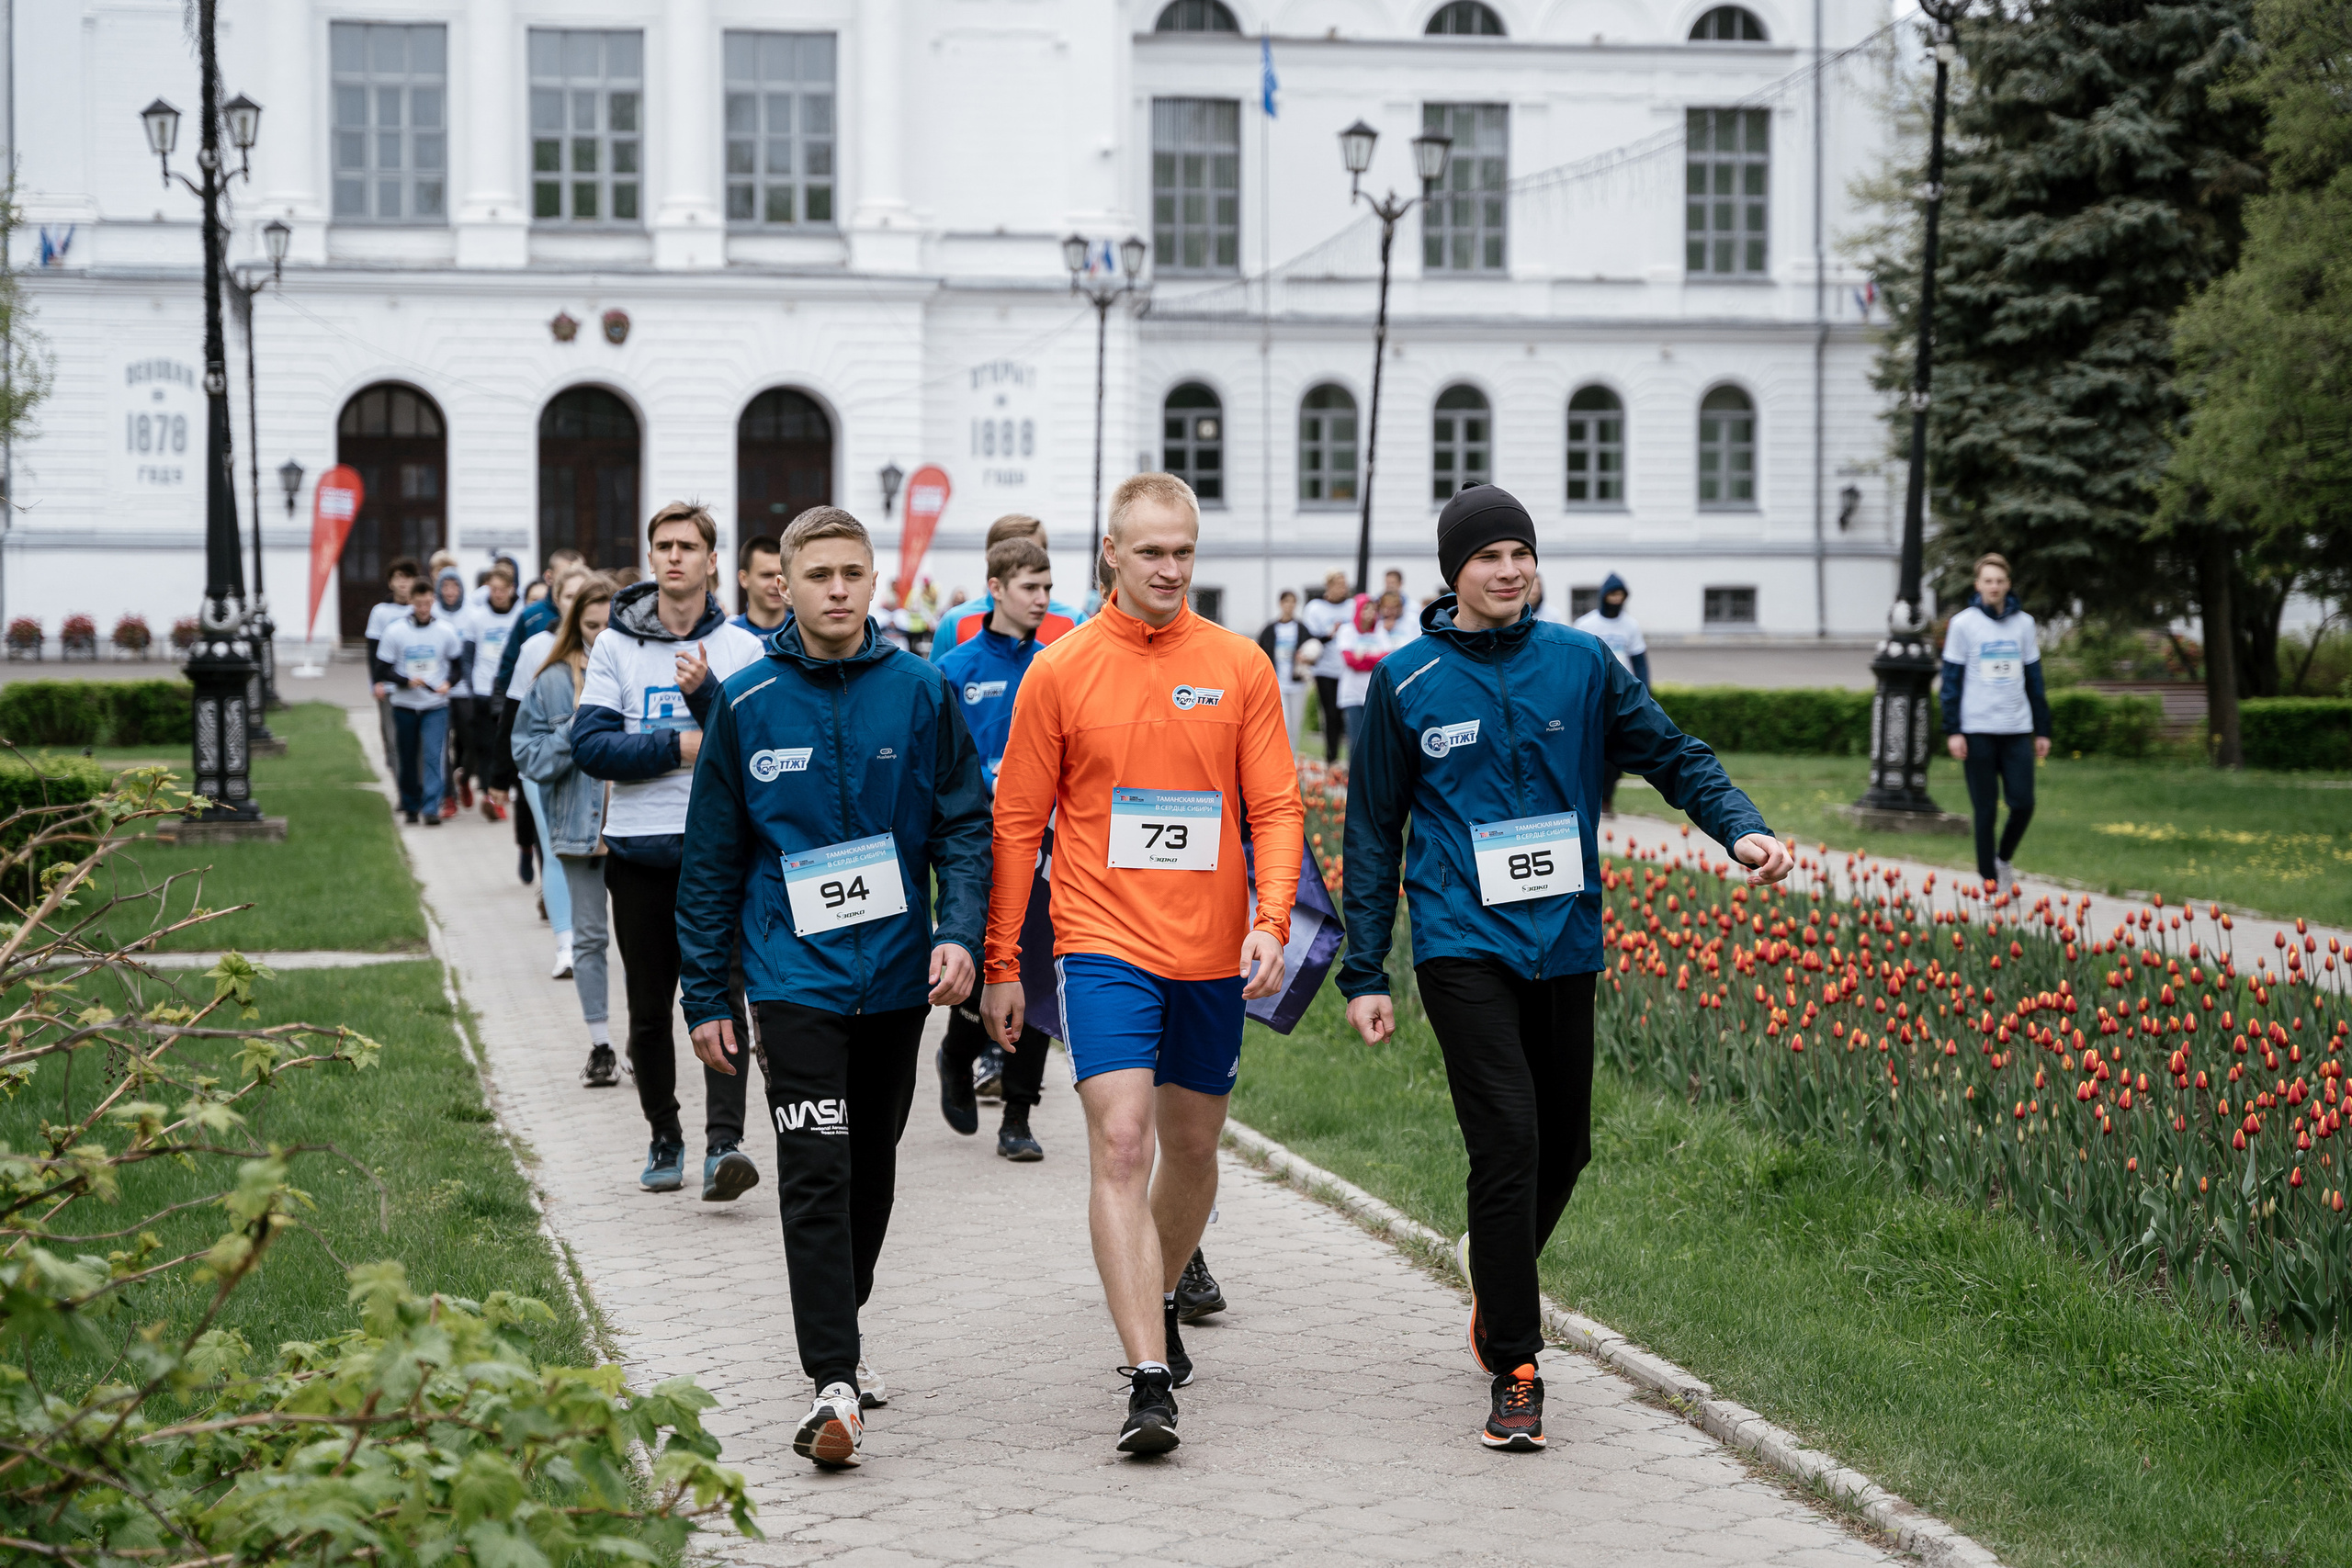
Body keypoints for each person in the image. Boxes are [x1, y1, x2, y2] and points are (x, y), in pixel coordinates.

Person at [1340, 484, 1792, 1452]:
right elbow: (1372, 831)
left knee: (1566, 1145)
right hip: (1461, 941)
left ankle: (1492, 1273)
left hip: (1564, 940)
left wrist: (1739, 829)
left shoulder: (1583, 665)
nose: (1507, 570)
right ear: (1451, 572)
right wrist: (1365, 972)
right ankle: (1515, 1363)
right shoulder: (1407, 681)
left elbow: (1672, 755)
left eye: (1520, 554)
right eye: (1486, 557)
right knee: (1506, 1141)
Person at [976, 471, 1303, 1455]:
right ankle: (1147, 1379)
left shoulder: (1238, 665)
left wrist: (1271, 921)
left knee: (1193, 1148)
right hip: (1101, 939)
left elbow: (1277, 806)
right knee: (1123, 1143)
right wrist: (1002, 960)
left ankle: (1158, 1294)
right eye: (1150, 551)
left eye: (1184, 552)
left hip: (1210, 952)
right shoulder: (1062, 669)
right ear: (1110, 554)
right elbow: (1017, 823)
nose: (1168, 568)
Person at [678, 505, 990, 1470]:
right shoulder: (748, 699)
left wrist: (958, 933)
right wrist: (705, 994)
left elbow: (964, 827)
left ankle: (839, 1332)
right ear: (785, 585)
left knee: (871, 1166)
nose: (840, 590)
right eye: (819, 576)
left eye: (854, 573)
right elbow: (713, 859)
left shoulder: (921, 690)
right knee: (815, 1166)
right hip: (792, 976)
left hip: (898, 977)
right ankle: (833, 1383)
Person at [571, 502, 767, 1198]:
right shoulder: (617, 646)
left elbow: (761, 752)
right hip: (640, 852)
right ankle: (664, 1133)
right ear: (650, 556)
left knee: (723, 994)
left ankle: (725, 1145)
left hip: (719, 855)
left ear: (713, 562)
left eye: (689, 545)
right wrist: (679, 745)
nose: (675, 556)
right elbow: (591, 747)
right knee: (651, 1009)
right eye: (664, 545)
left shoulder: (744, 648)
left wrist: (707, 697)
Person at [935, 536, 1060, 1161]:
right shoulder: (956, 670)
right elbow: (936, 767)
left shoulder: (1057, 664)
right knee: (984, 969)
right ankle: (955, 1054)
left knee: (1035, 972)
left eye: (1047, 587)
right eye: (1030, 588)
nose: (1042, 599)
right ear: (997, 588)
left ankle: (1018, 1114)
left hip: (1045, 842)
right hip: (976, 841)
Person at [514, 575, 620, 1086]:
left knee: (651, 944)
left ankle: (646, 1042)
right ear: (575, 624)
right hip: (581, 829)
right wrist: (572, 726)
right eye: (591, 625)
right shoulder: (553, 678)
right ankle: (601, 1044)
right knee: (589, 940)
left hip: (640, 830)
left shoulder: (641, 671)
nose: (601, 635)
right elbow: (528, 755)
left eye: (610, 624)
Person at [502, 566, 595, 977]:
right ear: (556, 600)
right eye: (569, 595)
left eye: (584, 595)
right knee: (556, 851)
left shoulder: (612, 647)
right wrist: (497, 776)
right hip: (545, 770)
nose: (576, 603)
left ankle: (594, 936)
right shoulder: (535, 648)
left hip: (597, 772)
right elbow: (513, 716)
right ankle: (566, 944)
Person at [1939, 552, 2051, 897]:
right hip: (1977, 730)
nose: (1994, 587)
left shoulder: (2024, 624)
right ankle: (1989, 882)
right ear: (1978, 585)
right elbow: (1951, 682)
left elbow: (2034, 679)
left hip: (2017, 728)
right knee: (1985, 810)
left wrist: (2043, 729)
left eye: (2000, 581)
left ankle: (2003, 859)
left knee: (2023, 803)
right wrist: (1954, 730)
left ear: (2008, 585)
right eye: (1988, 581)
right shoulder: (1963, 624)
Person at [930, 513, 1087, 662]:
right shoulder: (955, 622)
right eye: (1016, 556)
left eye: (1034, 554)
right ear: (990, 560)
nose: (1027, 562)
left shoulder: (1074, 622)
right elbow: (937, 685)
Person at [374, 576, 465, 827]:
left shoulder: (445, 631)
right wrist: (404, 680)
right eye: (419, 604)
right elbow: (383, 668)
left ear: (433, 601)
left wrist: (449, 683)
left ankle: (431, 807)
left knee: (434, 755)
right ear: (411, 602)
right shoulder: (396, 631)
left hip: (435, 704)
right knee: (407, 755)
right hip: (405, 703)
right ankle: (411, 805)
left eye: (427, 603)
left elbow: (458, 666)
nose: (424, 609)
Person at [1573, 573, 1650, 811]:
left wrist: (1645, 693)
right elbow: (1576, 662)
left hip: (1622, 696)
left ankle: (1608, 797)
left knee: (1618, 750)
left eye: (1620, 595)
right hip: (1594, 694)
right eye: (1612, 594)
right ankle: (1592, 797)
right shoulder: (1586, 625)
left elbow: (1639, 662)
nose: (1616, 599)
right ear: (1604, 596)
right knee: (1594, 747)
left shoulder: (1630, 625)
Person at [459, 566, 522, 821]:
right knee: (485, 746)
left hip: (510, 689)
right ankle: (489, 795)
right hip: (484, 690)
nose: (497, 594)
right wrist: (472, 685)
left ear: (511, 590)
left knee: (507, 743)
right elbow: (467, 655)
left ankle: (504, 791)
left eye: (502, 590)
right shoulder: (477, 617)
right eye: (493, 590)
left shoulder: (520, 616)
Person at [367, 557, 423, 764]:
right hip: (389, 684)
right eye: (398, 577)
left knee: (416, 739)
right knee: (392, 737)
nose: (403, 583)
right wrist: (376, 681)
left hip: (416, 681)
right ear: (390, 582)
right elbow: (373, 649)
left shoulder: (420, 609)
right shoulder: (381, 612)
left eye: (408, 577)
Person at [1300, 570, 1352, 765]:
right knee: (1330, 713)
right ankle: (1331, 757)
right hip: (1324, 669)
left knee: (1345, 715)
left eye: (1345, 584)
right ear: (1329, 586)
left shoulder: (1352, 606)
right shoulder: (1315, 608)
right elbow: (1309, 638)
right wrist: (1329, 635)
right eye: (1339, 584)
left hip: (1348, 670)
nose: (1343, 588)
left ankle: (1349, 756)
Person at [1255, 589, 1310, 748]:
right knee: (1283, 723)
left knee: (1295, 724)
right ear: (1280, 604)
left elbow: (1313, 647)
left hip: (1297, 682)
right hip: (1278, 682)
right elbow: (1260, 651)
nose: (1289, 605)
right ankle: (1283, 756)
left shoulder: (1301, 628)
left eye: (1292, 602)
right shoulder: (1270, 629)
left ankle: (1293, 758)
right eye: (1286, 601)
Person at [733, 534, 788, 636]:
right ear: (744, 579)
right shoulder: (729, 635)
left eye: (782, 575)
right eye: (767, 575)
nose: (777, 584)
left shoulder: (805, 633)